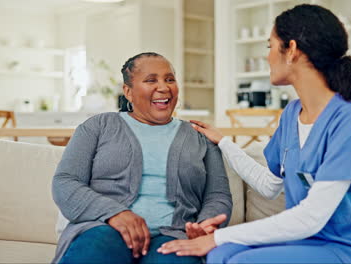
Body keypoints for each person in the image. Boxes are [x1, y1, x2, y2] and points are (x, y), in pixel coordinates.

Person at [157, 4, 351, 264]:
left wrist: (218, 236)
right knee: (220, 254)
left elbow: (311, 217)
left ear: (292, 50)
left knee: (237, 259)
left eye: (270, 46)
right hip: (310, 243)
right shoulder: (292, 114)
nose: (267, 57)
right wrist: (225, 143)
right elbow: (269, 186)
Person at [51, 52, 232, 264]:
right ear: (128, 91)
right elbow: (65, 182)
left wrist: (205, 225)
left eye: (170, 79)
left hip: (174, 236)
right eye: (151, 80)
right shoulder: (97, 127)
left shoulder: (199, 136)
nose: (164, 87)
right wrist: (114, 213)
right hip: (104, 230)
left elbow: (218, 195)